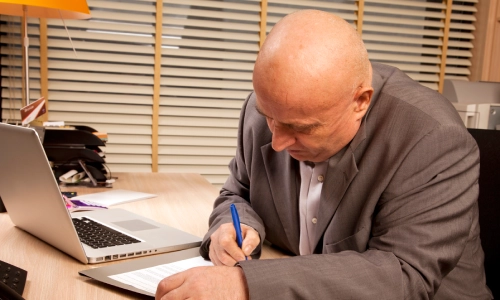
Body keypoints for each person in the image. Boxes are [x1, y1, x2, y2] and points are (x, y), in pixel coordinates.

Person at [156, 10, 492, 300]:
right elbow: (237, 193)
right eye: (269, 117)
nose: (277, 142)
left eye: (300, 127)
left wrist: (245, 283)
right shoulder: (268, 111)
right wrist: (235, 226)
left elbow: (405, 274)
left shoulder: (432, 138)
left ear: (360, 101)